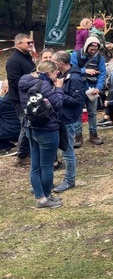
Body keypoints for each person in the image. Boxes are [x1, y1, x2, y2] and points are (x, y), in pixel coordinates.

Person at [18, 60, 66, 209]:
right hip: (47, 128)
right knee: (46, 166)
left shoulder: (24, 83)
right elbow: (57, 105)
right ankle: (46, 198)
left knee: (35, 166)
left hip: (31, 127)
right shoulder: (44, 85)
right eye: (55, 72)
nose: (57, 74)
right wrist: (58, 89)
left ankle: (40, 197)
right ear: (48, 73)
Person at [51, 51, 87, 194]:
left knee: (67, 151)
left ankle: (69, 180)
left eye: (53, 61)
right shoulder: (61, 75)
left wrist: (58, 92)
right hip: (59, 117)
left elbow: (77, 101)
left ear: (59, 63)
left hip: (69, 119)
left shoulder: (75, 78)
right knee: (59, 150)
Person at [69, 36, 106, 146]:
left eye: (95, 50)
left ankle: (93, 135)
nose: (93, 52)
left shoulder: (99, 58)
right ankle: (78, 136)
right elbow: (71, 69)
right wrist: (85, 70)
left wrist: (98, 88)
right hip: (78, 88)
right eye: (91, 49)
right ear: (86, 47)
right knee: (78, 112)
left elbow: (102, 74)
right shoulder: (75, 55)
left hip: (92, 89)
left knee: (93, 112)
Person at [7, 33, 36, 164]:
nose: (31, 44)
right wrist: (32, 78)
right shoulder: (13, 61)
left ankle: (29, 151)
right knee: (26, 124)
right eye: (28, 43)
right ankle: (22, 155)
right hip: (19, 99)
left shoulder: (26, 56)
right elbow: (14, 83)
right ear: (18, 44)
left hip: (30, 95)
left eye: (31, 42)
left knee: (30, 123)